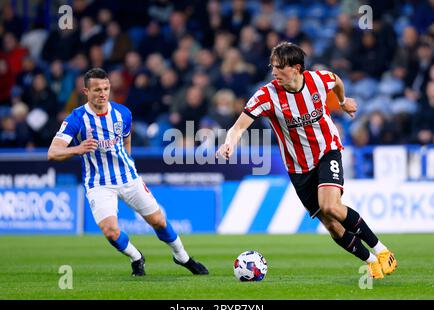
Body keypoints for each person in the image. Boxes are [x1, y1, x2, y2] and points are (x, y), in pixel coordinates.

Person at [216, 42, 397, 279]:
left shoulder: (318, 81)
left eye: (279, 67)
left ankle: (382, 251)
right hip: (298, 168)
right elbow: (238, 126)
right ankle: (371, 261)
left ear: (296, 68)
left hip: (327, 150)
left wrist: (342, 102)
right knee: (331, 224)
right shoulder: (267, 95)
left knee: (331, 205)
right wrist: (230, 142)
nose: (274, 72)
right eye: (272, 66)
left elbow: (337, 81)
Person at [47, 68, 208, 277]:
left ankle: (182, 257)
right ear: (86, 92)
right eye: (97, 90)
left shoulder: (122, 113)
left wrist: (129, 159)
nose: (102, 93)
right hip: (98, 183)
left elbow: (126, 138)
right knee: (110, 231)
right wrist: (78, 149)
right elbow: (53, 152)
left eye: (106, 88)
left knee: (158, 221)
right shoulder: (76, 118)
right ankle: (136, 257)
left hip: (128, 178)